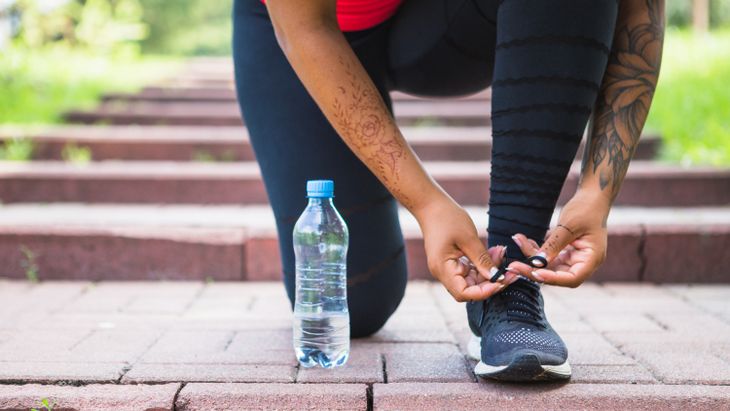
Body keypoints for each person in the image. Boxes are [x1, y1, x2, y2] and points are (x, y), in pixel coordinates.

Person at [232, 0, 664, 381]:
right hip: (304, 25)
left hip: (437, 23)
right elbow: (307, 28)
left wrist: (598, 190)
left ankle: (509, 285)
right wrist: (427, 203)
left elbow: (640, 9)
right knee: (356, 303)